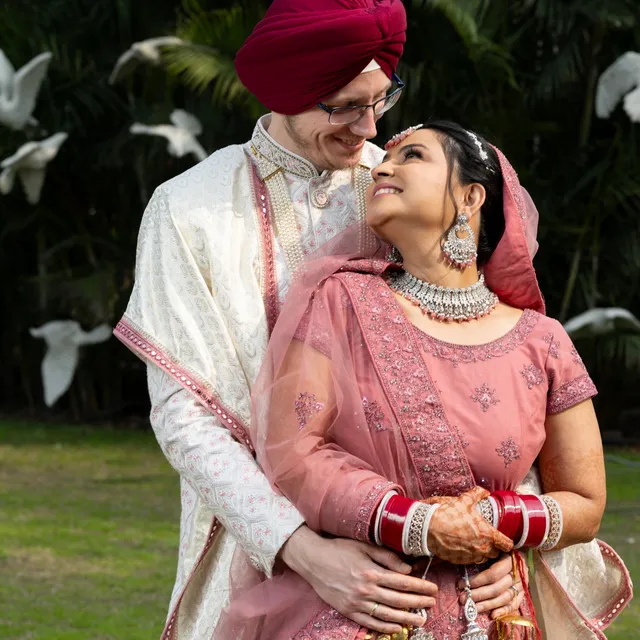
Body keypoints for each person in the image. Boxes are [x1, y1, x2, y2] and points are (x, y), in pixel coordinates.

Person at [115, 3, 527, 638]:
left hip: (443, 571)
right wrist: (304, 551)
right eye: (345, 107)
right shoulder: (189, 208)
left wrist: (502, 536)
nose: (369, 128)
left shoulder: (408, 187)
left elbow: (501, 366)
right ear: (287, 94)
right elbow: (184, 415)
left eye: (382, 99)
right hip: (257, 553)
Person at [216, 121, 633, 639]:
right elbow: (294, 452)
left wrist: (494, 521)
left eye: (411, 155)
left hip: (492, 614)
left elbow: (585, 504)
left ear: (471, 197)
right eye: (386, 159)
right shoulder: (340, 301)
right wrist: (415, 524)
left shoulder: (542, 341)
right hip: (363, 608)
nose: (382, 168)